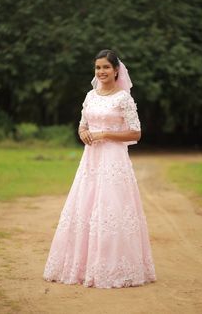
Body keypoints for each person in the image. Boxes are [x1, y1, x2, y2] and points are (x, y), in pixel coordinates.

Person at [43, 49, 156, 288]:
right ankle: (82, 267)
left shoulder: (123, 98)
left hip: (114, 159)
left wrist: (105, 133)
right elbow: (82, 125)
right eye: (98, 68)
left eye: (106, 67)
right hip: (91, 159)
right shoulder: (90, 96)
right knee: (85, 207)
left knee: (111, 210)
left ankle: (113, 267)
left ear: (116, 70)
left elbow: (136, 132)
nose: (101, 72)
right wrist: (83, 132)